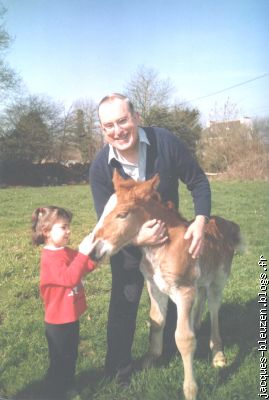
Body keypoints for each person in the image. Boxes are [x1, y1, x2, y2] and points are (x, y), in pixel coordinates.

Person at [89, 93, 211, 386]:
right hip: (130, 247)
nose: (117, 130)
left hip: (170, 242)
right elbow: (107, 223)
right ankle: (118, 370)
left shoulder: (165, 142)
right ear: (102, 131)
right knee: (125, 300)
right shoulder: (101, 168)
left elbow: (198, 181)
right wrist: (137, 238)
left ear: (136, 117)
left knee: (172, 292)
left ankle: (167, 352)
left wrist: (201, 221)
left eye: (123, 120)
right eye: (109, 126)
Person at [31, 206, 96, 400]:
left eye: (69, 226)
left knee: (70, 355)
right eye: (63, 227)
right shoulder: (49, 258)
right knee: (59, 360)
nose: (69, 231)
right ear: (47, 232)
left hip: (71, 316)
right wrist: (83, 254)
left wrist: (96, 251)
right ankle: (54, 391)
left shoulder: (65, 251)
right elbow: (69, 278)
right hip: (57, 322)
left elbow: (85, 266)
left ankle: (68, 386)